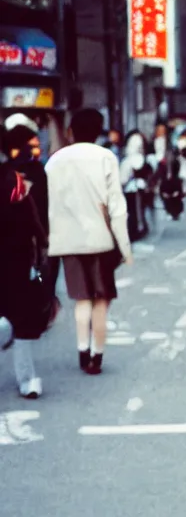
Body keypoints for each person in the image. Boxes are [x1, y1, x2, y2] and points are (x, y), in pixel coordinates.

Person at [46, 108, 132, 376]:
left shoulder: (55, 161)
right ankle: (97, 355)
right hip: (100, 240)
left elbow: (48, 202)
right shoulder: (106, 157)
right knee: (101, 299)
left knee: (81, 299)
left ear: (71, 131)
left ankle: (82, 350)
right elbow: (117, 206)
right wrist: (126, 248)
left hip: (67, 240)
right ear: (98, 131)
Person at [0, 145, 50, 398]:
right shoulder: (14, 182)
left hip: (14, 257)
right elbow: (32, 219)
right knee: (22, 320)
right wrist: (41, 246)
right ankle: (27, 379)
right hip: (15, 258)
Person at [120, 131, 153, 241]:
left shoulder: (128, 161)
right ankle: (142, 227)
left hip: (131, 190)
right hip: (143, 188)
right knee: (141, 210)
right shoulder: (144, 159)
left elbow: (123, 178)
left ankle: (133, 231)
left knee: (132, 212)